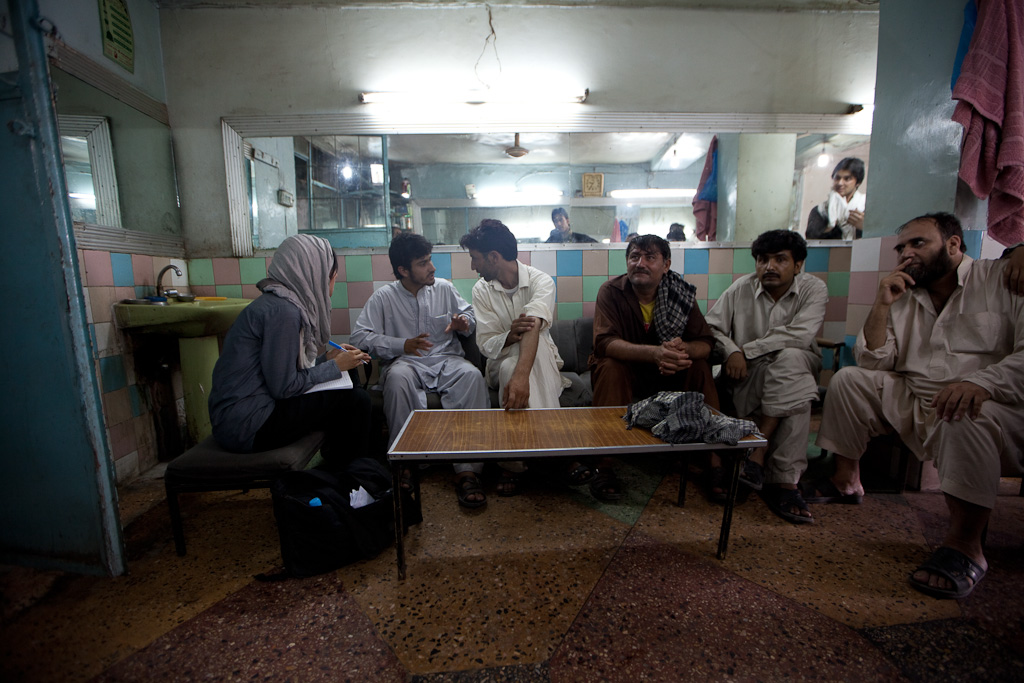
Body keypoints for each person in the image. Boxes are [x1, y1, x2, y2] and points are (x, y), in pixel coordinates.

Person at [813, 212, 1024, 599]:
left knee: (963, 413)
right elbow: (874, 361)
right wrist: (881, 303)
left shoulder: (1001, 279)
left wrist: (980, 383)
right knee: (848, 380)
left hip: (994, 403)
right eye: (901, 247)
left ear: (954, 245)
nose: (906, 254)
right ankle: (846, 480)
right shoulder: (902, 294)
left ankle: (966, 546)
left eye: (918, 243)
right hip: (916, 397)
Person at [209, 234, 372, 471]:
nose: (332, 283)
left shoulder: (279, 304)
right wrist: (335, 366)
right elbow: (284, 387)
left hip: (248, 415)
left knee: (347, 381)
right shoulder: (284, 312)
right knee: (357, 400)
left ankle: (342, 470)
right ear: (314, 273)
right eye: (331, 275)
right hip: (249, 425)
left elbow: (279, 373)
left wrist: (327, 360)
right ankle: (351, 480)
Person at [350, 233, 490, 509]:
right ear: (403, 270)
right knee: (398, 380)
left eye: (430, 260)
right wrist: (400, 344)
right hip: (406, 362)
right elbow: (359, 339)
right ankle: (406, 466)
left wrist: (464, 323)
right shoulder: (384, 298)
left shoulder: (444, 289)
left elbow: (469, 316)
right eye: (423, 263)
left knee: (472, 376)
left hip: (446, 359)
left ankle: (468, 471)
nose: (432, 268)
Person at [459, 219, 593, 495]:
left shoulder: (539, 281)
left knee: (521, 362)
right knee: (516, 359)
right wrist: (510, 334)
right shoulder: (480, 290)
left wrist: (520, 376)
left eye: (475, 258)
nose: (473, 266)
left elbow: (533, 325)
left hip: (530, 363)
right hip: (499, 362)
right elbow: (486, 344)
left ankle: (513, 465)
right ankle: (558, 456)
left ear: (494, 257)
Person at [704, 230, 827, 522]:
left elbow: (801, 334)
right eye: (762, 260)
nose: (769, 267)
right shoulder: (740, 288)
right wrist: (733, 351)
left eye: (780, 260)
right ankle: (785, 483)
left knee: (791, 360)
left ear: (798, 265)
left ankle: (756, 453)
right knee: (798, 394)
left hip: (795, 363)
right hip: (751, 372)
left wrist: (747, 350)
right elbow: (711, 327)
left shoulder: (814, 289)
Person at [590, 234, 720, 499]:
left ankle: (715, 463)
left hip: (668, 374)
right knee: (610, 367)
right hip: (628, 372)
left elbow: (705, 343)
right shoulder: (611, 291)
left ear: (666, 264)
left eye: (650, 257)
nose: (641, 263)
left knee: (699, 367)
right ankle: (602, 465)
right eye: (634, 256)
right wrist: (655, 354)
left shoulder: (680, 294)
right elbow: (604, 343)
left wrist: (682, 351)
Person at [806, 157, 866, 240]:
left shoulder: (866, 208)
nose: (840, 183)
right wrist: (832, 226)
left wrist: (865, 227)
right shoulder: (820, 210)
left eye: (847, 179)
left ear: (858, 182)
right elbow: (811, 239)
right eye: (837, 178)